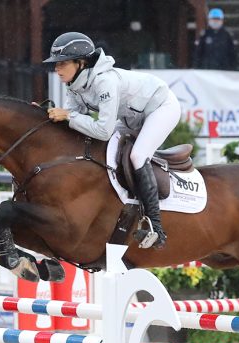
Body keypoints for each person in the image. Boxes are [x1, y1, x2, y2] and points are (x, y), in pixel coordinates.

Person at [43, 32, 181, 250]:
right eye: (56, 64)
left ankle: (155, 226)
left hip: (161, 108)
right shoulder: (73, 85)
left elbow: (102, 130)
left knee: (137, 155)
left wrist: (68, 115)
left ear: (81, 63)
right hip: (131, 117)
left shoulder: (104, 81)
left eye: (62, 63)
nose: (57, 69)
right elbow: (72, 123)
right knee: (103, 149)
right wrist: (44, 116)